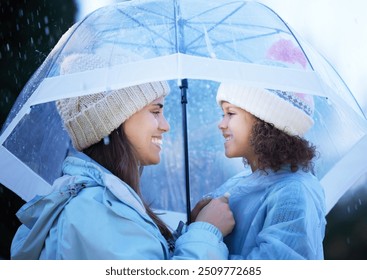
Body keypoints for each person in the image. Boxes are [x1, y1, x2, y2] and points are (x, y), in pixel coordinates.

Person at [10, 53, 234, 260]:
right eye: (156, 111)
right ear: (114, 120)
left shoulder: (104, 206)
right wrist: (206, 232)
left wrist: (191, 232)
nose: (165, 126)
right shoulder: (94, 212)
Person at [193, 79, 327, 259]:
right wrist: (195, 225)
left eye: (230, 113)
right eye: (222, 114)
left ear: (265, 121)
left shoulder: (294, 192)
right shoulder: (240, 182)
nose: (221, 124)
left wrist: (205, 237)